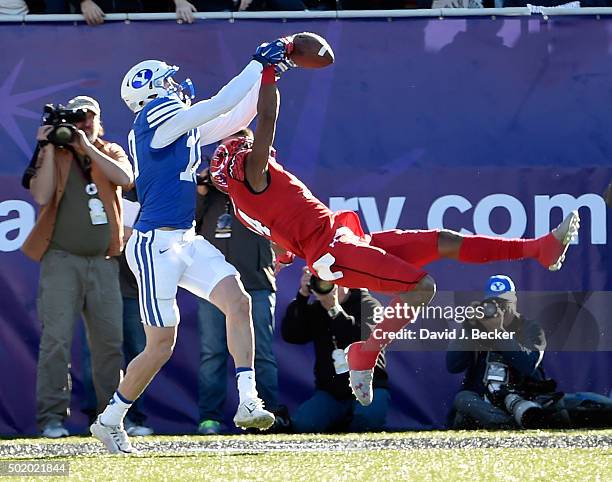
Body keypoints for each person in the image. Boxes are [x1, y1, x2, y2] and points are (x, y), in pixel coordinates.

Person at [208, 37, 581, 408]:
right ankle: (366, 352)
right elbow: (268, 119)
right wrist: (270, 72)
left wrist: (291, 250)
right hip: (335, 248)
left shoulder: (244, 205)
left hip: (341, 240)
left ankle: (538, 248)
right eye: (243, 143)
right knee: (422, 287)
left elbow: (282, 252)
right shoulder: (253, 176)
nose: (250, 142)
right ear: (235, 165)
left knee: (444, 240)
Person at [90, 40, 293, 453]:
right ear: (150, 93)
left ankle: (248, 400)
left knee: (239, 303)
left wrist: (269, 74)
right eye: (166, 81)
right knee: (161, 345)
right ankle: (110, 419)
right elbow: (219, 103)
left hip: (184, 238)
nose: (175, 85)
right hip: (154, 246)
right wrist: (255, 63)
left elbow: (236, 114)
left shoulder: (174, 126)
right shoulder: (153, 119)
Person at [22, 95, 133, 438]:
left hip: (103, 262)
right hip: (62, 260)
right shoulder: (57, 152)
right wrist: (46, 149)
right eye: (78, 118)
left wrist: (86, 144)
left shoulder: (108, 149)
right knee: (55, 341)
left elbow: (125, 179)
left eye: (90, 118)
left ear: (100, 121)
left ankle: (109, 419)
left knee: (110, 344)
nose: (84, 123)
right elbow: (40, 196)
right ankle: (52, 418)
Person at [447, 275, 612, 429]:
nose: (500, 310)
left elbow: (528, 364)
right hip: (487, 403)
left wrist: (499, 333)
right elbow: (453, 365)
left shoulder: (530, 328)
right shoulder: (477, 329)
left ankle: (520, 419)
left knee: (575, 405)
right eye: (493, 304)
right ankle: (509, 423)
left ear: (515, 302)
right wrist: (468, 328)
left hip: (526, 399)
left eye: (504, 303)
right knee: (463, 399)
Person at [194, 137, 278, 435]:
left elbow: (278, 219)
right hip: (214, 285)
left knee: (262, 353)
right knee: (212, 353)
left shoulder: (262, 183)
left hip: (255, 281)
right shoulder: (209, 188)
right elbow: (186, 225)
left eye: (242, 151)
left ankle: (268, 414)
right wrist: (202, 191)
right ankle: (210, 418)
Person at [281, 267, 389, 433]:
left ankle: (347, 420)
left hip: (370, 388)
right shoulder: (316, 308)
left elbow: (364, 343)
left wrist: (333, 309)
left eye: (331, 280)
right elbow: (292, 335)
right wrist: (302, 295)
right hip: (331, 393)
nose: (327, 284)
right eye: (321, 279)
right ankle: (338, 420)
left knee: (367, 422)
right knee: (303, 425)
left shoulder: (368, 304)